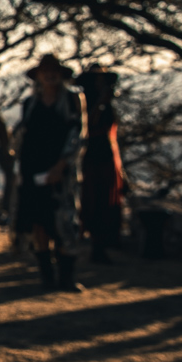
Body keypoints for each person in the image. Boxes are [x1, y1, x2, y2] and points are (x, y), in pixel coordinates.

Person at [14, 55, 88, 291]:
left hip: (62, 171)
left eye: (54, 70)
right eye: (44, 71)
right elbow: (22, 135)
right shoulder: (30, 103)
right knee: (38, 223)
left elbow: (78, 134)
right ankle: (46, 275)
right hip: (32, 168)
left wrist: (61, 165)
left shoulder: (73, 100)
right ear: (37, 76)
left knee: (65, 222)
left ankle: (66, 277)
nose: (49, 75)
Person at [77, 65, 126, 263]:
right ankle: (95, 245)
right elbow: (86, 128)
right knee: (92, 201)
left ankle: (103, 245)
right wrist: (99, 104)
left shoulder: (108, 106)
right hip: (91, 159)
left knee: (107, 203)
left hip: (108, 158)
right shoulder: (84, 104)